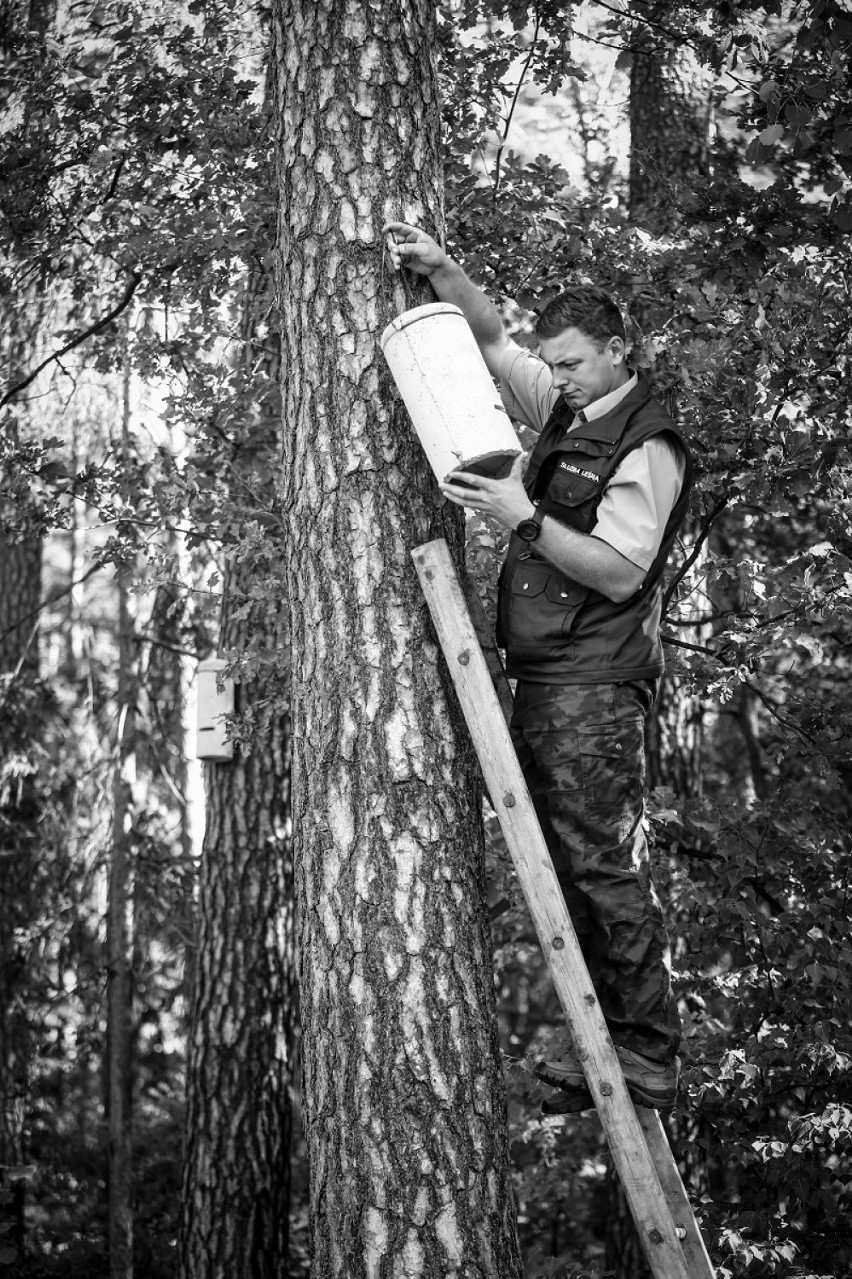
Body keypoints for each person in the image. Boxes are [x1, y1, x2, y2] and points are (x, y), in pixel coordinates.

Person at [384, 221, 692, 1114]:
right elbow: (487, 341)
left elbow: (621, 568)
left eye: (573, 364)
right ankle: (603, 1041)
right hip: (552, 674)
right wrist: (445, 269)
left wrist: (521, 515)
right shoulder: (569, 408)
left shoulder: (650, 443)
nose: (557, 377)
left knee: (597, 865)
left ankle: (649, 1052)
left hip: (594, 683)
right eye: (552, 365)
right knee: (563, 865)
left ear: (618, 352)